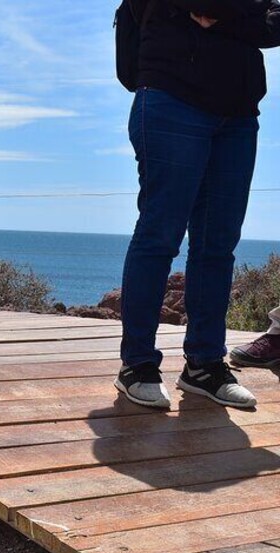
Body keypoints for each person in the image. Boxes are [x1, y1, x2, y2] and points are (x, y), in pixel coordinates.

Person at [116, 0, 280, 409]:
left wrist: (227, 16)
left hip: (238, 114)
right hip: (172, 98)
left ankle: (204, 366)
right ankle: (136, 365)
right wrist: (248, 14)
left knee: (217, 244)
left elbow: (273, 24)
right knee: (159, 236)